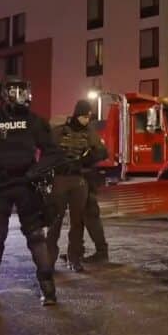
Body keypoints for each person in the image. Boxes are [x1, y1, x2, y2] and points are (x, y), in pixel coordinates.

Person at [0, 76, 63, 307]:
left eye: (23, 90)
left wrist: (36, 171)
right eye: (16, 91)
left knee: (36, 236)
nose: (22, 95)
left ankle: (48, 287)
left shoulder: (34, 121)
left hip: (26, 184)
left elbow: (53, 152)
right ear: (5, 93)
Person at [47, 100, 108, 272]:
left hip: (80, 180)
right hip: (60, 179)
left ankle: (74, 258)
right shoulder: (59, 131)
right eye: (84, 116)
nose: (86, 120)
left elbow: (103, 151)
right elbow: (46, 150)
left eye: (89, 117)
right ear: (77, 114)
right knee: (55, 221)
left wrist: (89, 158)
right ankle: (49, 260)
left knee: (78, 222)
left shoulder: (90, 133)